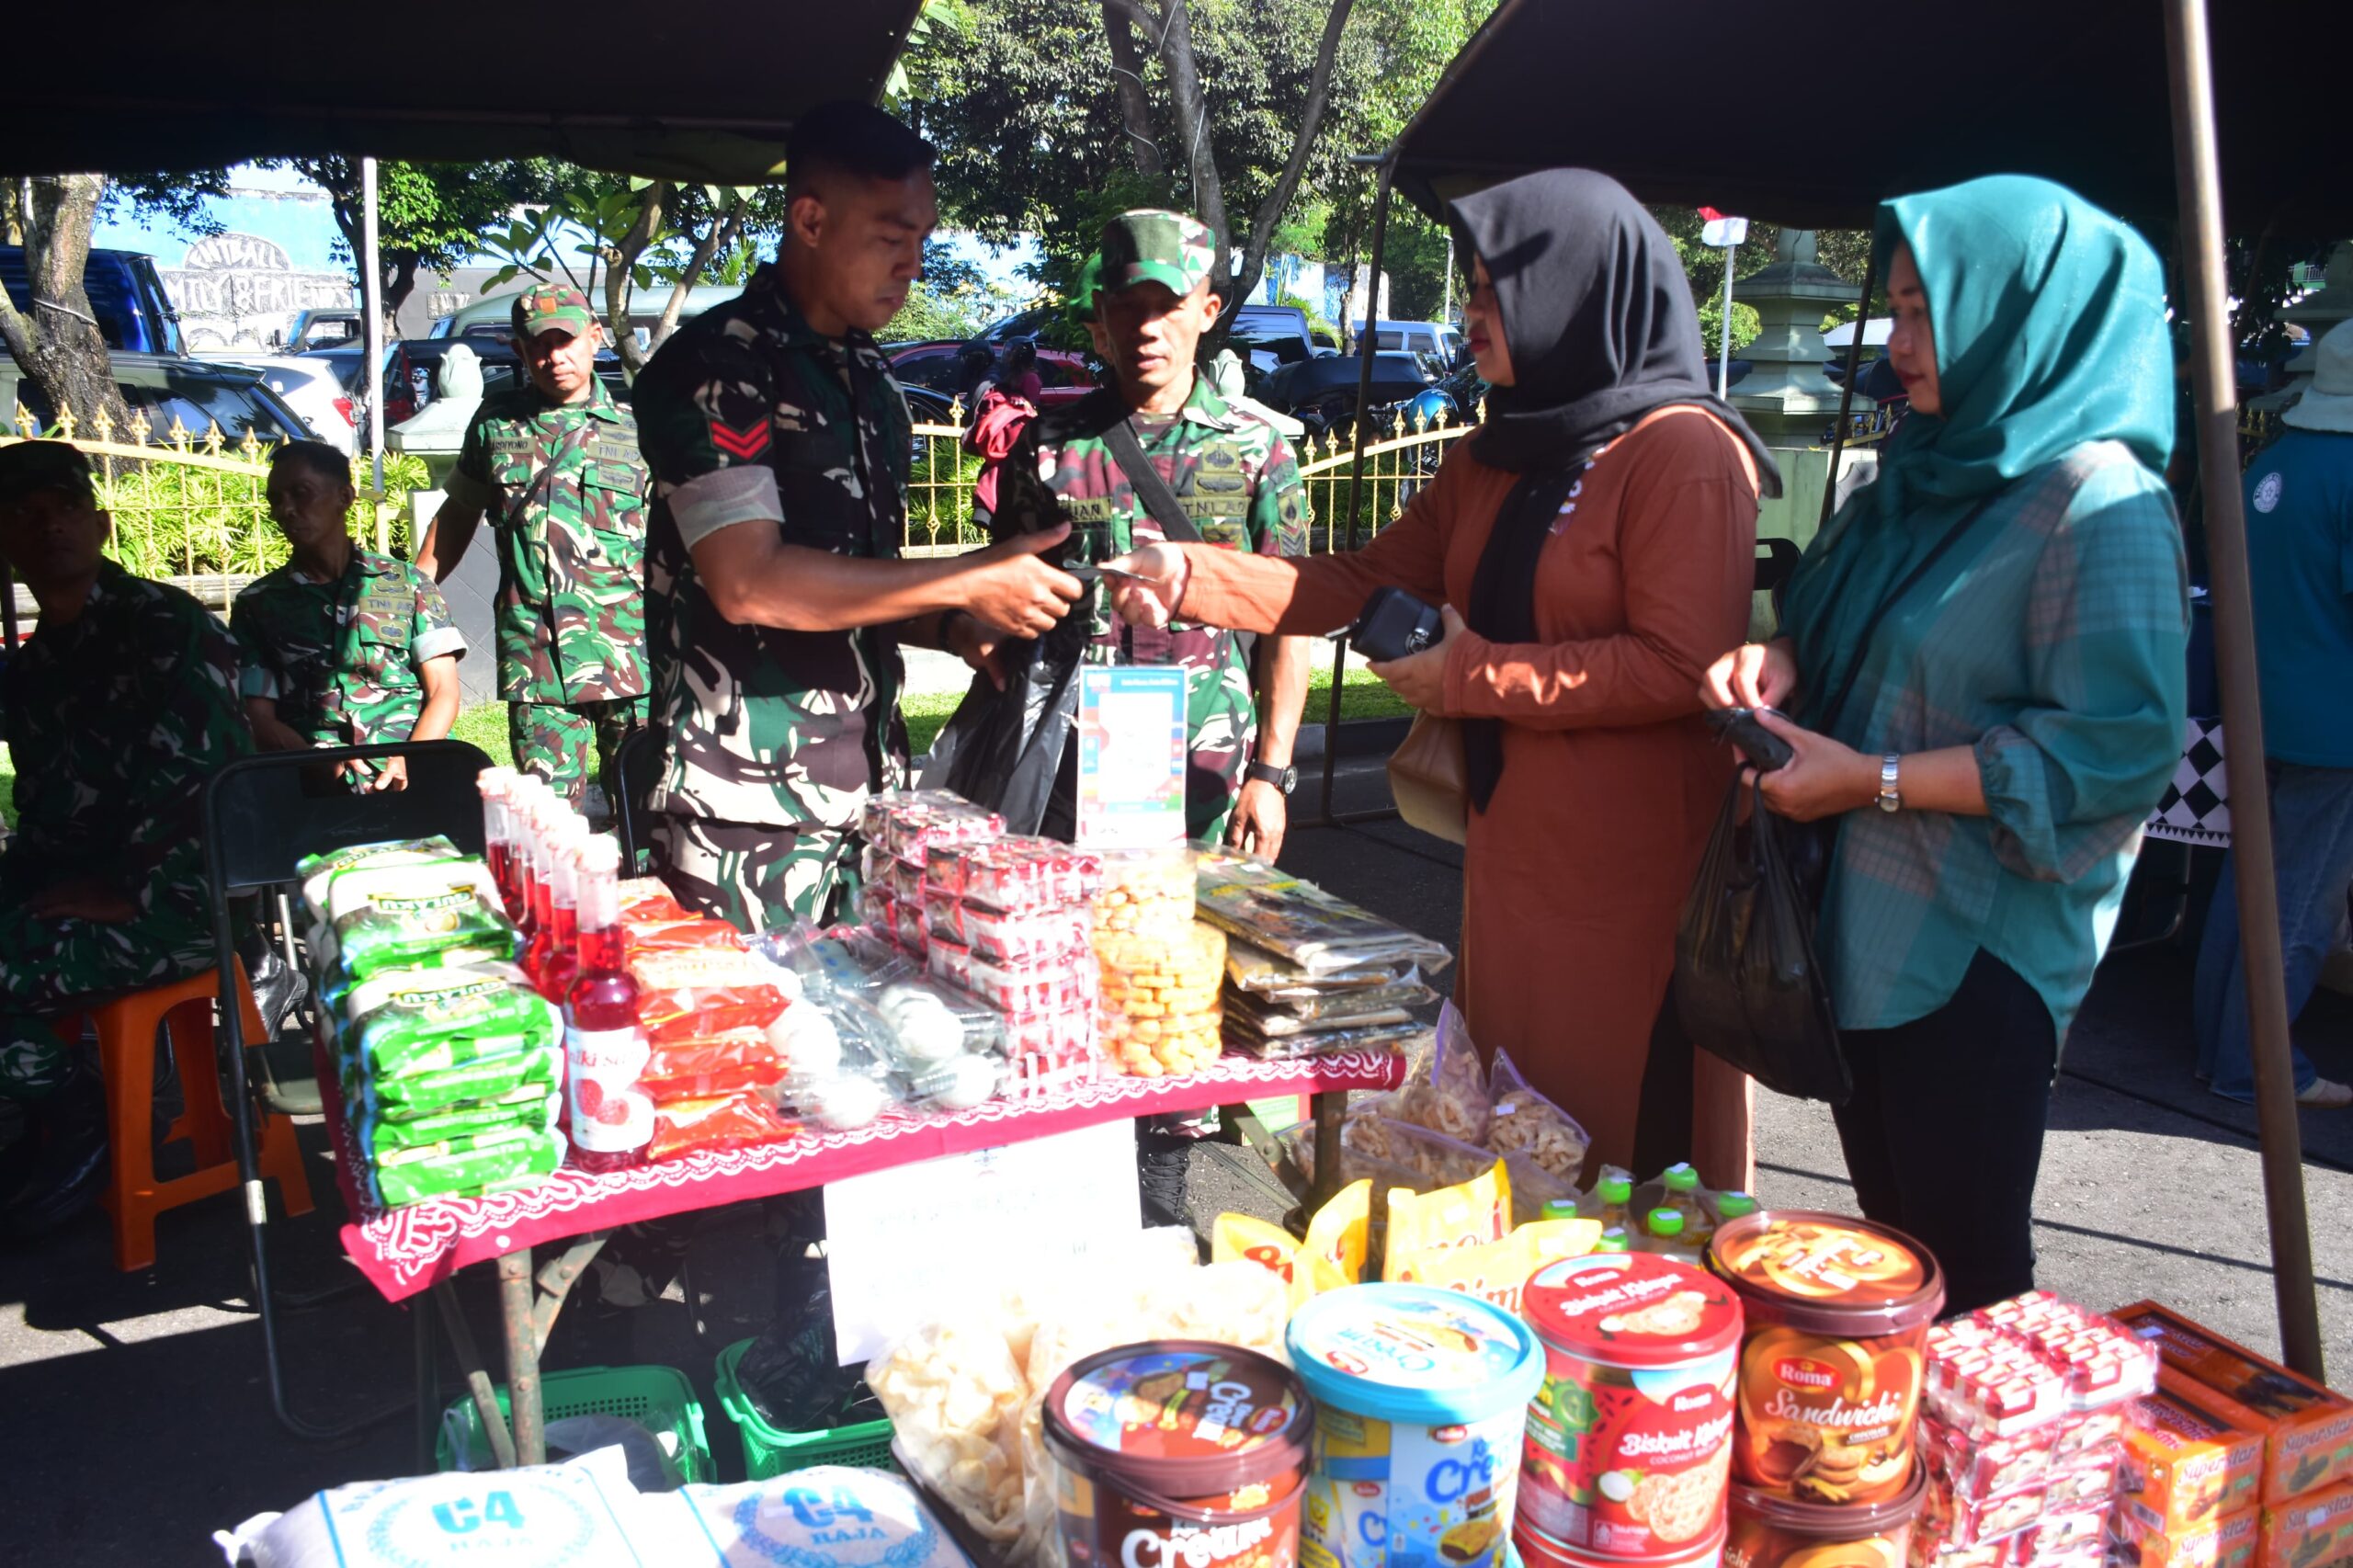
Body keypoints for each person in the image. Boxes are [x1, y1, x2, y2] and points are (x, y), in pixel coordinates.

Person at [1107, 172, 1777, 1184]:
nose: (1467, 319)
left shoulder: (1681, 451)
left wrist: (1472, 676)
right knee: (1517, 1133)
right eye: (1468, 291)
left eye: (1490, 293)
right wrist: (1189, 569)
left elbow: (1683, 669)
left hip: (1636, 874)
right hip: (1514, 855)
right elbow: (1361, 579)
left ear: (1579, 291)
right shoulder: (1496, 453)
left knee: (1626, 1155)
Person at [1699, 176, 2189, 1312]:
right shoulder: (1922, 473)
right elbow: (1850, 627)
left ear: (2022, 313)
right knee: (1890, 1260)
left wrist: (1866, 781)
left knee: (1967, 1281)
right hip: (1860, 927)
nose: (1900, 344)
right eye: (1901, 308)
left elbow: (2112, 754)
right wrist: (1778, 663)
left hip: (1975, 951)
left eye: (1929, 313)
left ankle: (1993, 1484)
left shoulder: (2096, 499)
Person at [631, 99, 1081, 930]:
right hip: (743, 808)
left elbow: (859, 587)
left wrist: (954, 629)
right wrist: (972, 576)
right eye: (890, 235)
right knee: (757, 1053)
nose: (913, 263)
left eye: (922, 239)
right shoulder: (718, 364)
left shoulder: (873, 383)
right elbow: (748, 583)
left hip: (874, 801)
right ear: (809, 218)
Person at [988, 210, 1313, 857]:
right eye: (1129, 306)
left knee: (1190, 949)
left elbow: (1290, 617)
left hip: (1210, 767)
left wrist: (1271, 775)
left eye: (1169, 306)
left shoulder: (1256, 449)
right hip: (1070, 769)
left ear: (1209, 309)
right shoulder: (1048, 448)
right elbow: (1003, 605)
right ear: (1102, 312)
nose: (1147, 328)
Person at [0, 441, 252, 1235]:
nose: (47, 528)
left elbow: (204, 783)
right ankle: (46, 1108)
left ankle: (80, 1118)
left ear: (101, 523)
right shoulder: (35, 663)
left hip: (170, 903)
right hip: (75, 890)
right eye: (22, 515)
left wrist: (126, 890)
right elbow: (47, 811)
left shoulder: (161, 626)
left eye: (64, 508)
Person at [2195, 317, 2353, 1110]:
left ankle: (2219, 1046)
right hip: (2335, 722)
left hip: (2262, 703)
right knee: (2301, 899)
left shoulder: (2279, 459)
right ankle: (2256, 1064)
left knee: (2246, 878)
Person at [415, 283, 647, 814]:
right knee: (547, 828)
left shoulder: (639, 431)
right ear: (519, 350)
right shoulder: (496, 425)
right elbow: (455, 519)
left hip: (631, 660)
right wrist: (413, 601)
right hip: (537, 662)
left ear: (595, 338)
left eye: (566, 341)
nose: (554, 357)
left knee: (646, 819)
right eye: (538, 344)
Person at [232, 441, 466, 791]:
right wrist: (324, 767)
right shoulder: (258, 604)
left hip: (414, 769)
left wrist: (407, 759)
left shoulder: (408, 583)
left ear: (344, 496)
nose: (287, 510)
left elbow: (444, 691)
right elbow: (259, 717)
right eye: (276, 500)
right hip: (310, 781)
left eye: (301, 493)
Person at [999, 340, 1044, 406]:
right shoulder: (1014, 374)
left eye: (1012, 352)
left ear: (1020, 356)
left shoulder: (1031, 378)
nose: (1007, 354)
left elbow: (1028, 406)